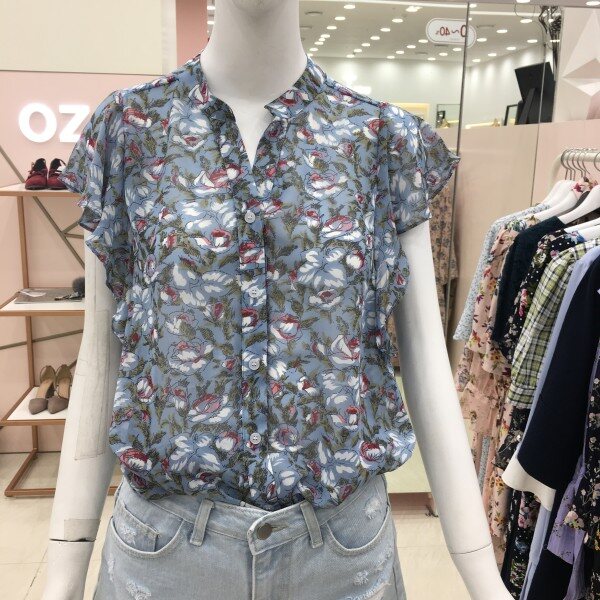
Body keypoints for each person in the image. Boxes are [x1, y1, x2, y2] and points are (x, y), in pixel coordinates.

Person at [42, 1, 511, 598]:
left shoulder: (380, 139)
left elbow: (426, 364)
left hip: (340, 556)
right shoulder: (131, 128)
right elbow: (100, 357)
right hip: (166, 556)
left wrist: (480, 574)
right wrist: (63, 572)